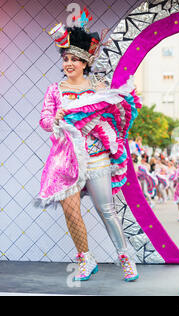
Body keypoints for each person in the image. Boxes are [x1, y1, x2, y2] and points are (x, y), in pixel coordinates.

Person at [38, 23, 141, 282]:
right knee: (71, 212)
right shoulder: (55, 90)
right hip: (65, 160)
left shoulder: (99, 89)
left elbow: (115, 118)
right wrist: (56, 118)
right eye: (66, 59)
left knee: (107, 211)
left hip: (96, 157)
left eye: (75, 59)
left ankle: (125, 257)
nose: (69, 63)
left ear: (85, 63)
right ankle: (86, 258)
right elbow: (44, 121)